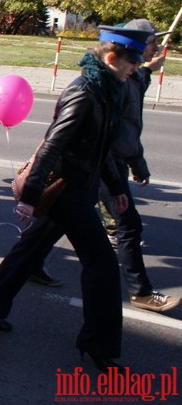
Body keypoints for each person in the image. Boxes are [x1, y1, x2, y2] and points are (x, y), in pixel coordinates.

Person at [0, 25, 151, 372]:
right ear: (112, 58)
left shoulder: (110, 90)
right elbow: (53, 145)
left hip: (83, 186)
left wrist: (116, 189)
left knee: (30, 250)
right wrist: (31, 195)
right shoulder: (86, 93)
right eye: (132, 61)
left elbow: (103, 150)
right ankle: (98, 344)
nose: (136, 67)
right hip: (68, 190)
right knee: (101, 265)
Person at [97, 19, 178, 313]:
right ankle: (141, 292)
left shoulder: (128, 79)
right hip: (98, 165)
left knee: (52, 226)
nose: (155, 47)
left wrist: (137, 164)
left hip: (107, 163)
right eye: (151, 43)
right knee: (129, 225)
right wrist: (119, 183)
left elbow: (130, 127)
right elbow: (106, 136)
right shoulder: (104, 87)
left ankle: (5, 286)